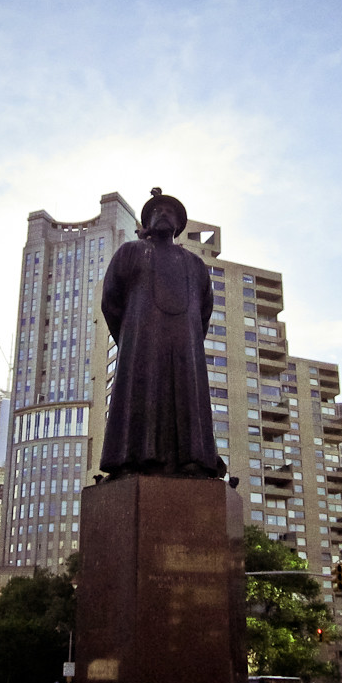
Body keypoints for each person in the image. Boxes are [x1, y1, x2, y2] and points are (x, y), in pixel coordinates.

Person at [98, 188, 226, 479]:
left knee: (188, 398)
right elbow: (111, 301)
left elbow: (205, 308)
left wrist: (189, 341)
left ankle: (193, 460)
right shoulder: (130, 252)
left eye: (171, 212)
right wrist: (131, 339)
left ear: (179, 226)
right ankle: (134, 459)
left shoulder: (195, 265)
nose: (165, 215)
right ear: (148, 221)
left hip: (185, 347)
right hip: (141, 343)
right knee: (141, 396)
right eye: (158, 211)